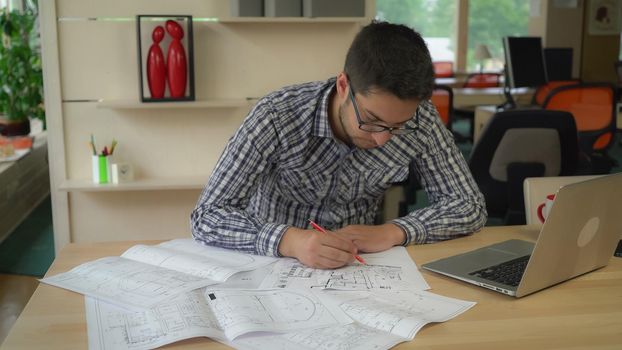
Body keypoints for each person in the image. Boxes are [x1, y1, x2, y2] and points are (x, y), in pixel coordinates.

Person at [191, 21, 487, 269]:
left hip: (357, 268)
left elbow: (468, 205)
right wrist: (290, 240)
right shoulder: (277, 116)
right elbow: (209, 215)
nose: (383, 138)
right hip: (273, 262)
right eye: (371, 120)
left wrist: (395, 230)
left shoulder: (421, 118)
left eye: (398, 126)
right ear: (343, 86)